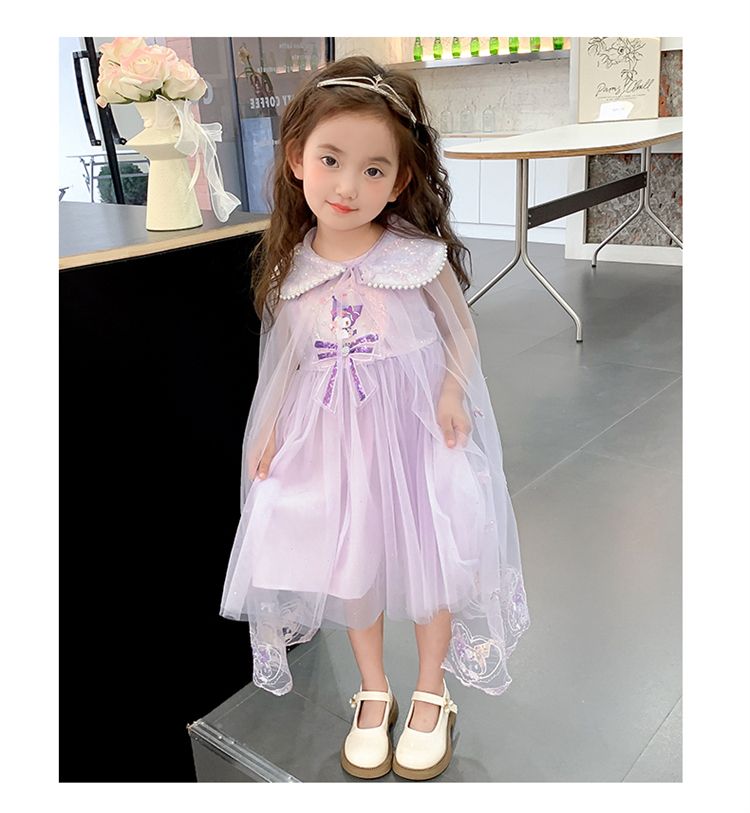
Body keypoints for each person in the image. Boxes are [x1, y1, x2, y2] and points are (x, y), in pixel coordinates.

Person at [219, 55, 530, 781]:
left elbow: (460, 333)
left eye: (373, 170)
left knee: (433, 556)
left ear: (400, 180)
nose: (347, 186)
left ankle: (431, 690)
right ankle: (373, 689)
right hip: (333, 441)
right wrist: (268, 428)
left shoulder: (415, 258)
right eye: (331, 160)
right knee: (350, 559)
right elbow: (283, 360)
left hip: (415, 434)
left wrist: (451, 391)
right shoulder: (293, 266)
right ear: (296, 159)